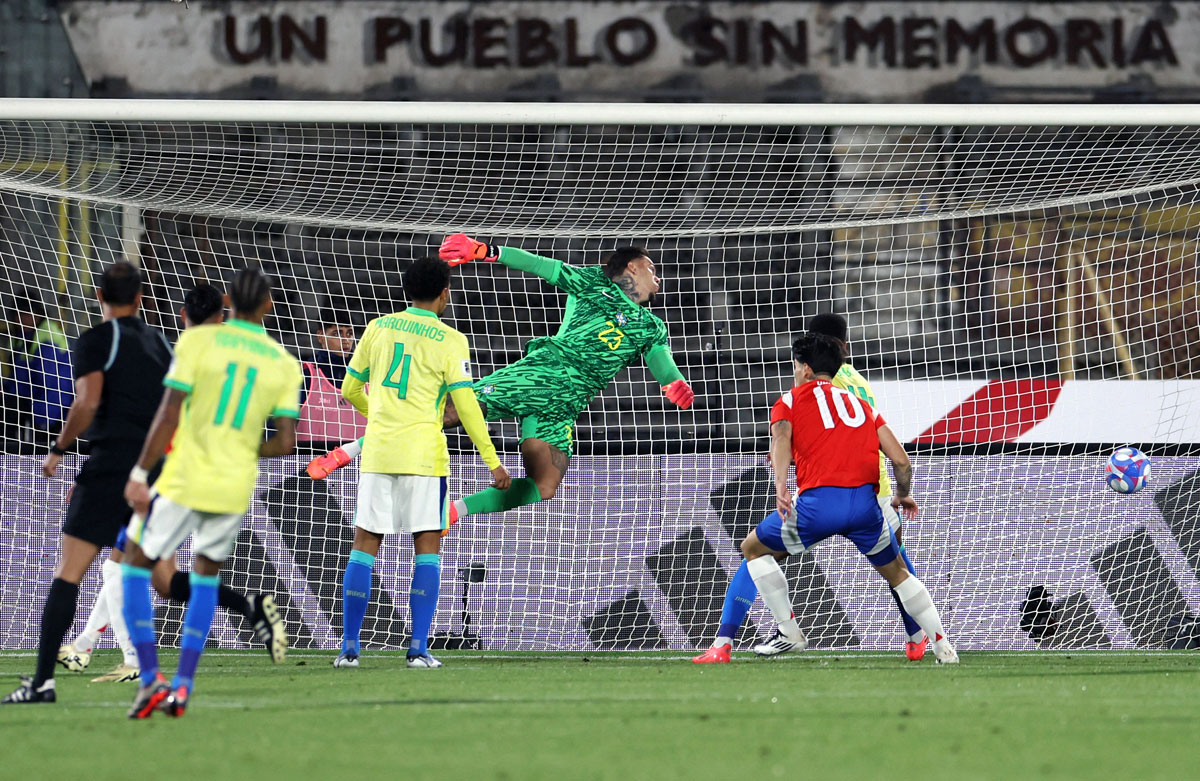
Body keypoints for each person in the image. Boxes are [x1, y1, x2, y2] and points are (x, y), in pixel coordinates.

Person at [308, 235, 693, 531]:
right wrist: (487, 251)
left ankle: (451, 512)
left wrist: (674, 383)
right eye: (651, 267)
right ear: (629, 268)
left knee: (543, 486)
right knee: (448, 413)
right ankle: (350, 450)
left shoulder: (651, 326)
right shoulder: (594, 282)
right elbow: (543, 265)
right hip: (544, 374)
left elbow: (662, 364)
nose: (658, 277)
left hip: (567, 403)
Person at [59, 283, 287, 684]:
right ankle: (90, 645)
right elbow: (283, 438)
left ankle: (133, 662)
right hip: (226, 479)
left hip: (167, 473)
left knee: (125, 567)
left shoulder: (184, 350)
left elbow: (161, 416)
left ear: (184, 315)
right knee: (168, 578)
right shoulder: (272, 359)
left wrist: (124, 474)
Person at [119, 267, 303, 718]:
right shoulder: (283, 363)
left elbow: (169, 412)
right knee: (204, 576)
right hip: (233, 484)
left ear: (227, 301)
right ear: (269, 305)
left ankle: (149, 679)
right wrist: (244, 450)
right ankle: (182, 687)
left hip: (184, 477)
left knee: (134, 567)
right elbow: (285, 442)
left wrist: (141, 472)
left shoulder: (197, 341)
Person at [708, 332, 957, 664]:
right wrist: (903, 495)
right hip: (866, 508)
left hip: (817, 506)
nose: (795, 372)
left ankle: (789, 633)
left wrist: (781, 487)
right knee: (899, 573)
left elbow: (781, 439)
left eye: (796, 366)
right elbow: (901, 460)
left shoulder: (790, 400)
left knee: (752, 549)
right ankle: (943, 646)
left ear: (806, 369)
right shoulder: (861, 404)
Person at [3, 262, 173, 705]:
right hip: (152, 468)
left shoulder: (95, 340)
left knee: (70, 572)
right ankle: (243, 606)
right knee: (155, 576)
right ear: (140, 297)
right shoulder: (159, 343)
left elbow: (87, 402)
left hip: (110, 464)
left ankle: (42, 682)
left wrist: (59, 448)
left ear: (99, 295)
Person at [333, 257, 509, 669]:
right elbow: (465, 405)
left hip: (378, 452)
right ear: (445, 292)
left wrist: (379, 417)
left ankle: (349, 648)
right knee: (426, 548)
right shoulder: (450, 339)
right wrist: (492, 461)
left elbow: (349, 388)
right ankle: (417, 649)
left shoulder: (377, 327)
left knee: (364, 547)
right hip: (424, 457)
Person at [2, 288, 72, 452]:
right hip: (35, 403)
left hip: (51, 408)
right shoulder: (22, 337)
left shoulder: (47, 335)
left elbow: (49, 382)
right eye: (18, 316)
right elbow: (18, 375)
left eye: (25, 315)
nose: (20, 320)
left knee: (47, 452)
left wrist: (42, 417)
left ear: (37, 314)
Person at [297, 310, 365, 446]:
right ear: (321, 336)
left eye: (349, 334)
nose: (346, 340)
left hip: (359, 464)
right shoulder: (306, 375)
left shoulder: (367, 376)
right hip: (311, 462)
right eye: (337, 334)